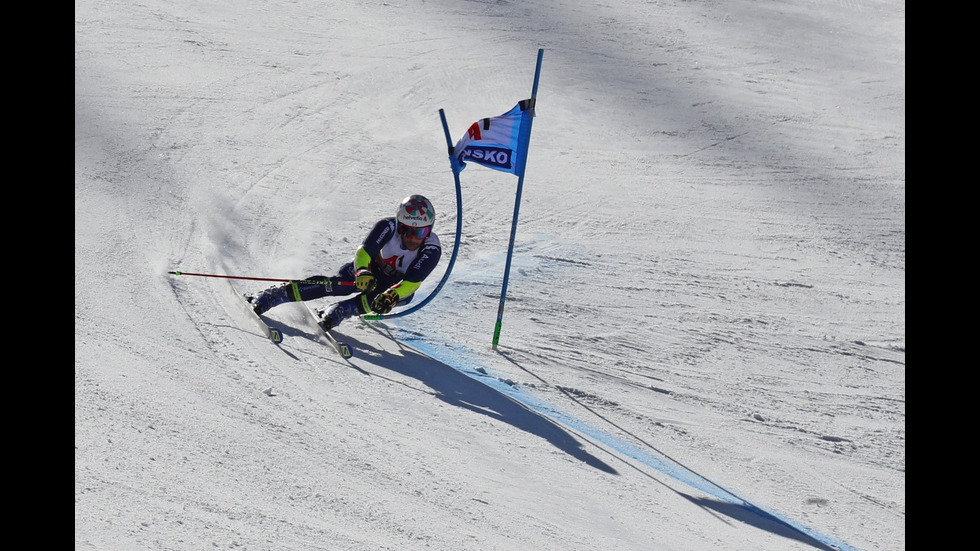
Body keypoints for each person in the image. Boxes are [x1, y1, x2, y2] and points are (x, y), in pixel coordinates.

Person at [246, 194, 442, 331]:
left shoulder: (431, 249)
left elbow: (413, 282)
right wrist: (362, 271)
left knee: (394, 298)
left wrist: (392, 295)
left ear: (429, 230)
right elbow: (365, 251)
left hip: (394, 284)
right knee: (339, 285)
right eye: (407, 230)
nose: (413, 238)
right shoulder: (388, 227)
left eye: (420, 232)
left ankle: (342, 310)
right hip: (371, 270)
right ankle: (276, 294)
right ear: (399, 225)